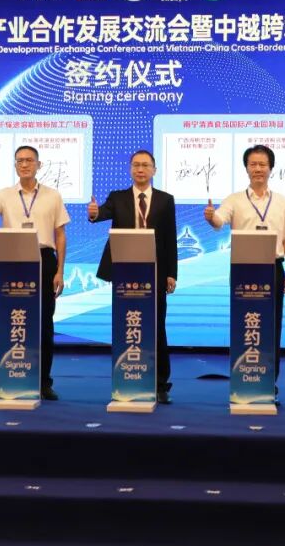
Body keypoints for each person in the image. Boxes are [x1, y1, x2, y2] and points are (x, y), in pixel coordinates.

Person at [0, 145, 69, 401]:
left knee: (44, 323)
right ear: (15, 166)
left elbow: (60, 234)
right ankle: (14, 375)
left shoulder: (52, 195)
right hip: (13, 260)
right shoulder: (4, 194)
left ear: (39, 165)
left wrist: (60, 270)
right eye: (20, 161)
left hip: (44, 259)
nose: (24, 164)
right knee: (14, 320)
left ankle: (43, 382)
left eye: (29, 160)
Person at [204, 144, 285, 390]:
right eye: (253, 164)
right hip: (243, 270)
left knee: (271, 325)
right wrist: (211, 217)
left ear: (271, 168)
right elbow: (219, 221)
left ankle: (269, 382)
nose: (258, 169)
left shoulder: (281, 202)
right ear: (246, 168)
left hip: (273, 268)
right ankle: (244, 377)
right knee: (244, 322)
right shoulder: (235, 199)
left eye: (262, 164)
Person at [88, 149, 178, 404]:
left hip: (155, 272)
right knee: (127, 325)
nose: (140, 169)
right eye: (136, 165)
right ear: (130, 169)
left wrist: (171, 273)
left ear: (154, 170)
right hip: (125, 272)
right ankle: (127, 377)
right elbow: (101, 214)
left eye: (145, 165)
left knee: (157, 327)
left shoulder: (165, 200)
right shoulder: (117, 197)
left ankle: (160, 384)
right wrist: (94, 213)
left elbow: (170, 238)